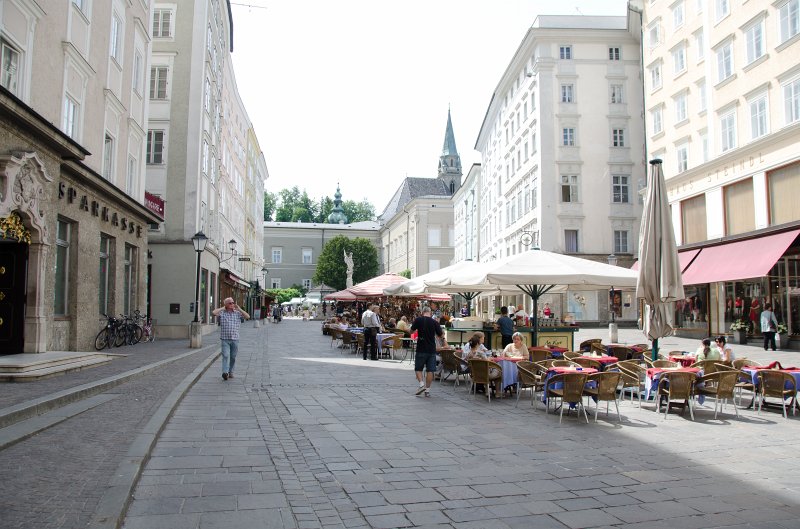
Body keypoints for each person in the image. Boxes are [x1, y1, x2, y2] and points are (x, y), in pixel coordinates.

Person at [211, 297, 249, 380]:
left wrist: (239, 309)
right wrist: (223, 307)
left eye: (233, 302)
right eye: (230, 303)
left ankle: (231, 371)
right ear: (226, 305)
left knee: (233, 357)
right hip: (225, 339)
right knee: (225, 355)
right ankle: (225, 372)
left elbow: (247, 316)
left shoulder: (237, 313)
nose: (232, 304)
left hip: (235, 339)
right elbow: (213, 312)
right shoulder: (222, 313)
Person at [411, 306, 444, 397]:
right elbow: (440, 335)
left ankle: (421, 385)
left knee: (418, 368)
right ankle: (427, 391)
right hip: (431, 349)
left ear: (422, 312)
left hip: (421, 348)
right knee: (430, 370)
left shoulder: (418, 320)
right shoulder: (434, 322)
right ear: (430, 312)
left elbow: (411, 331)